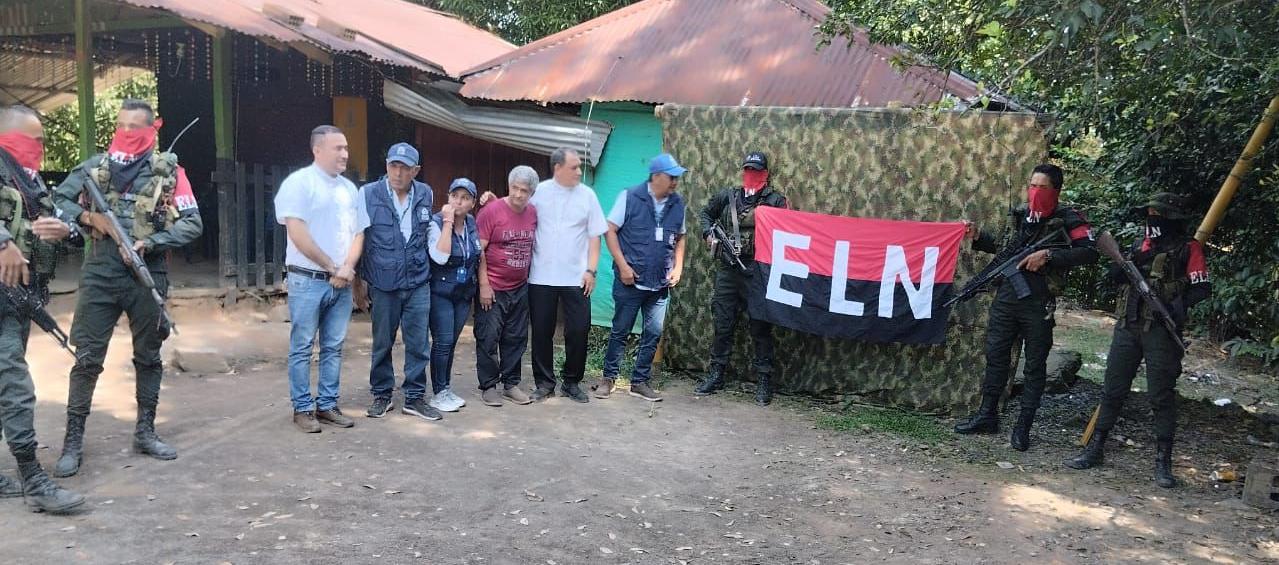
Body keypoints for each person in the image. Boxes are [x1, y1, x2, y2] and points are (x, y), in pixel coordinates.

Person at [52, 99, 203, 476]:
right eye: (122, 126)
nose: (127, 133)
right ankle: (72, 441)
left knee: (148, 356)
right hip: (101, 271)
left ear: (153, 128)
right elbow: (57, 200)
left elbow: (192, 222)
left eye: (135, 127)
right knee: (87, 357)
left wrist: (152, 242)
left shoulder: (170, 173)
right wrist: (91, 218)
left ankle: (145, 432)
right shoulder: (94, 167)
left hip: (148, 270)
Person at [1066, 193, 1210, 488]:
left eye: (1158, 214)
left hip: (1160, 332)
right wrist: (1126, 263)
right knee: (1113, 389)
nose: (1152, 218)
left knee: (1161, 396)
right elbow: (1113, 277)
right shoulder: (1138, 244)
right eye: (1150, 213)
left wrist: (1175, 307)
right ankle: (1095, 448)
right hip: (1128, 326)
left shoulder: (1188, 247)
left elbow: (1202, 288)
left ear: (1171, 218)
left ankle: (1163, 462)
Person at [953, 164, 1098, 450]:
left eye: (1042, 187)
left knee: (1034, 365)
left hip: (1038, 301)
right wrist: (979, 236)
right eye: (1032, 185)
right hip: (1007, 297)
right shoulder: (1021, 215)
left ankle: (1023, 427)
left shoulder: (1069, 218)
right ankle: (987, 415)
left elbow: (1089, 252)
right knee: (996, 356)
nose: (1035, 192)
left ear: (1056, 190)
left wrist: (1049, 255)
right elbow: (1006, 249)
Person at [0, 105, 84, 513]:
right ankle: (34, 478)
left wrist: (65, 229)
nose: (40, 148)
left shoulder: (31, 182)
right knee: (16, 387)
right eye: (33, 140)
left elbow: (75, 229)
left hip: (18, 300)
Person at [274, 125, 368, 433]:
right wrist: (332, 266)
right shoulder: (299, 183)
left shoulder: (349, 189)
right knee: (302, 346)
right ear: (317, 150)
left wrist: (348, 267)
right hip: (307, 280)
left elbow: (358, 233)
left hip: (341, 281)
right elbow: (297, 232)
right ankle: (302, 408)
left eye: (346, 148)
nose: (345, 154)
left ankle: (327, 404)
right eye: (337, 148)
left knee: (334, 346)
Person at [694, 151, 787, 405]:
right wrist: (708, 234)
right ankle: (717, 373)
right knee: (723, 322)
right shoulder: (729, 196)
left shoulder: (776, 201)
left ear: (766, 174)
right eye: (748, 170)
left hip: (758, 271)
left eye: (756, 171)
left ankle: (764, 379)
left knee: (760, 325)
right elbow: (706, 214)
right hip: (729, 270)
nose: (751, 175)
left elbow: (787, 231)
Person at [355, 143, 440, 422]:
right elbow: (358, 236)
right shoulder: (368, 194)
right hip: (383, 281)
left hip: (417, 280)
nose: (398, 173)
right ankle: (382, 394)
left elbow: (427, 233)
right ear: (386, 166)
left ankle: (414, 397)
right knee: (382, 342)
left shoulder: (425, 193)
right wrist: (358, 281)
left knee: (418, 343)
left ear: (416, 170)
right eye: (394, 166)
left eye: (405, 168)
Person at [592, 154, 688, 402]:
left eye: (677, 177)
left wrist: (678, 267)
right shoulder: (630, 197)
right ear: (656, 176)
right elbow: (609, 230)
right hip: (631, 280)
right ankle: (608, 378)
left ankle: (639, 382)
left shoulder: (677, 203)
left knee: (653, 333)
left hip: (660, 283)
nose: (675, 182)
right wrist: (623, 266)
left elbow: (680, 237)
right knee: (620, 331)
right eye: (671, 177)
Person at [527, 148, 606, 403]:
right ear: (557, 168)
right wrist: (492, 199)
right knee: (541, 332)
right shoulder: (538, 192)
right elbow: (515, 211)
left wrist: (591, 270)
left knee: (579, 330)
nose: (579, 172)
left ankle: (571, 382)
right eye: (574, 167)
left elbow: (595, 236)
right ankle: (544, 383)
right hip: (541, 275)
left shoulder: (588, 196)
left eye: (580, 166)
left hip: (577, 277)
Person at [474, 166, 539, 407]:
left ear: (532, 193)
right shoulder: (491, 211)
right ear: (508, 185)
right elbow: (478, 250)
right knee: (488, 337)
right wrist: (484, 284)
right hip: (493, 286)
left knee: (516, 337)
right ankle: (489, 386)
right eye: (515, 188)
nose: (519, 194)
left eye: (525, 190)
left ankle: (510, 384)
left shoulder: (533, 213)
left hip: (520, 286)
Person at [427, 178, 481, 413]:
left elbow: (476, 252)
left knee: (451, 343)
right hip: (440, 293)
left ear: (472, 203)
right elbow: (440, 257)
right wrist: (448, 222)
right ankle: (438, 393)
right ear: (448, 197)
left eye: (465, 198)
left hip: (463, 292)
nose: (458, 201)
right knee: (442, 342)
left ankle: (445, 388)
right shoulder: (436, 223)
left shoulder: (471, 222)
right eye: (454, 196)